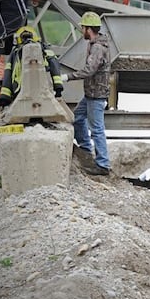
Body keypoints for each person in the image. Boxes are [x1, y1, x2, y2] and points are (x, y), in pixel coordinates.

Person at [61, 11, 111, 176]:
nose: (81, 30)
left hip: (96, 94)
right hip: (91, 93)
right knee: (77, 118)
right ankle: (86, 150)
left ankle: (103, 165)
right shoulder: (95, 44)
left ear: (88, 29)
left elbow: (90, 70)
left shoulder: (97, 47)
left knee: (96, 129)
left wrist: (68, 77)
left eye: (82, 27)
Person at [0, 25, 63, 105]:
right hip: (43, 90)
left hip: (21, 91)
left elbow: (8, 73)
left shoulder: (16, 53)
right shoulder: (44, 50)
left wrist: (5, 96)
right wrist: (58, 87)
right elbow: (54, 67)